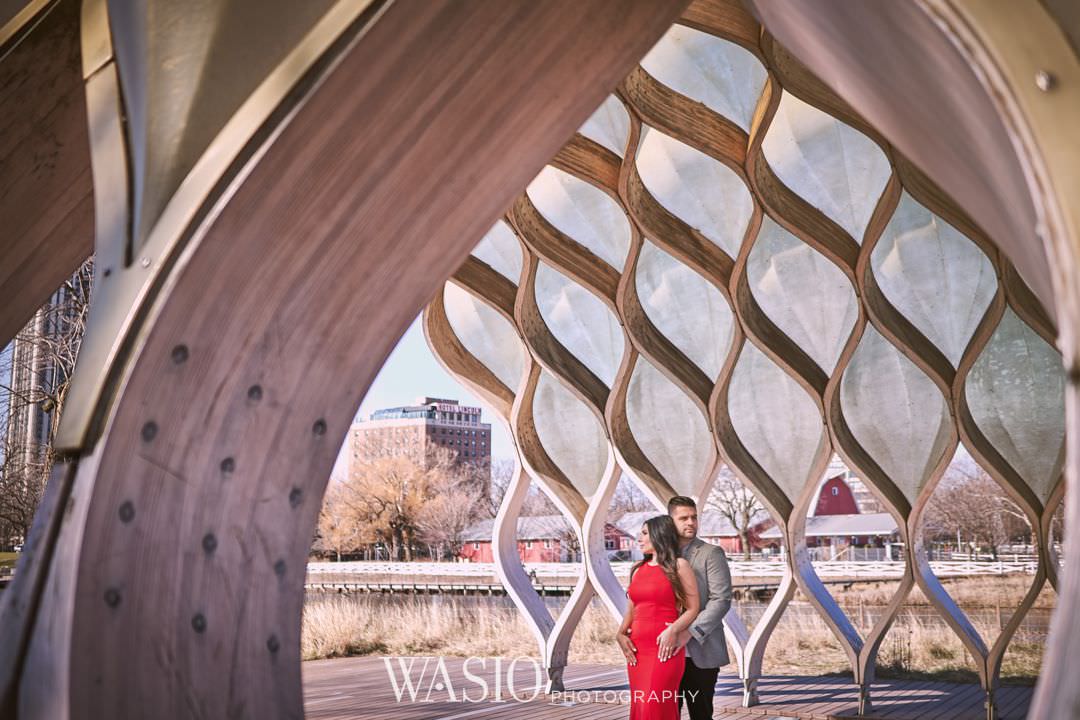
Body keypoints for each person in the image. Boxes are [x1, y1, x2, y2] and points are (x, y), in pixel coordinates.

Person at [616, 515, 700, 720]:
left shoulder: (679, 566)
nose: (639, 538)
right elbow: (633, 608)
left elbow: (693, 608)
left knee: (655, 708)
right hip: (637, 651)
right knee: (640, 708)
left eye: (644, 533)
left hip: (665, 648)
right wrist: (619, 634)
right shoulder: (637, 569)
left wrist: (672, 630)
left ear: (659, 535)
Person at [668, 495, 733, 720]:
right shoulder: (661, 555)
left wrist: (690, 632)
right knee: (668, 712)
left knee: (701, 713)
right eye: (683, 518)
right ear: (671, 521)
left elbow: (721, 599)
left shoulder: (710, 553)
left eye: (694, 517)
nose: (690, 523)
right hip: (667, 650)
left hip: (701, 649)